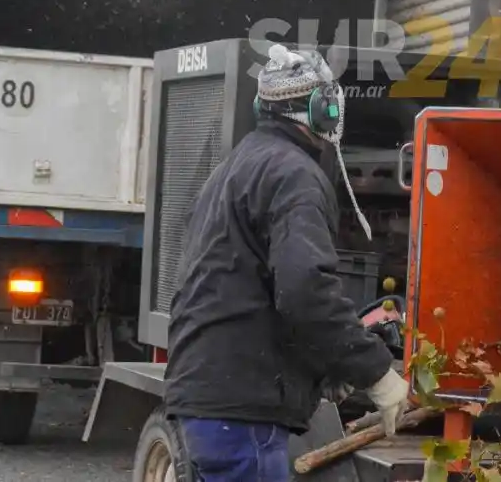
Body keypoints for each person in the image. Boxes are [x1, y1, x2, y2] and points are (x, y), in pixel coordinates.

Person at [161, 44, 410, 482]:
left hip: (210, 395)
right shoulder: (295, 175)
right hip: (242, 408)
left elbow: (250, 284)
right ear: (323, 109)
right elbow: (304, 292)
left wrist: (322, 366)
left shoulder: (239, 165)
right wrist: (376, 374)